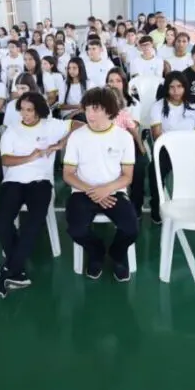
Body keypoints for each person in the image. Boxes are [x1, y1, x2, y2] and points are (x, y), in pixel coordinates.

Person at [0, 92, 80, 298]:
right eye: (22, 109)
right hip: (13, 181)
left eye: (29, 110)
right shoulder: (12, 131)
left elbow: (78, 125)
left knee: (33, 222)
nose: (25, 114)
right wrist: (30, 156)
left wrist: (62, 143)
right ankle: (16, 270)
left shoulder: (51, 125)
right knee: (2, 222)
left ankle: (9, 269)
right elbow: (5, 160)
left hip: (40, 182)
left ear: (39, 110)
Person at [64, 87, 138, 282]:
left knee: (131, 228)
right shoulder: (77, 137)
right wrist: (92, 191)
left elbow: (127, 176)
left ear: (110, 110)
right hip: (82, 192)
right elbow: (68, 174)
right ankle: (96, 252)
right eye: (87, 109)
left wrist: (107, 189)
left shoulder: (124, 138)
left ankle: (117, 255)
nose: (89, 114)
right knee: (76, 229)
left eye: (95, 109)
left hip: (114, 191)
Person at [149, 71, 195, 224]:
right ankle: (157, 205)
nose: (176, 91)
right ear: (167, 88)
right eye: (172, 87)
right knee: (154, 169)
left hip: (193, 149)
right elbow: (158, 136)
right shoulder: (158, 107)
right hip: (168, 150)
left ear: (185, 87)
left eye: (179, 87)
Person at [107, 68, 146, 216]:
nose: (114, 84)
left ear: (124, 83)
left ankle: (136, 206)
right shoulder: (101, 103)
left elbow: (133, 128)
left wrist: (141, 147)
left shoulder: (133, 104)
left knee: (140, 164)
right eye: (110, 81)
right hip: (105, 142)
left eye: (118, 80)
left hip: (128, 142)